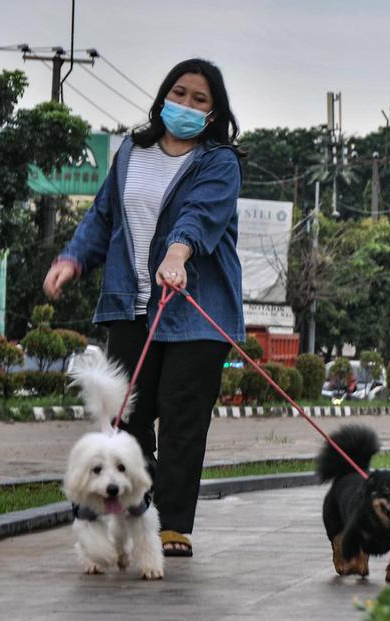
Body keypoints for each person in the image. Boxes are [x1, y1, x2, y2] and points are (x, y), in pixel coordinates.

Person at [43, 58, 244, 558]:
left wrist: (178, 254)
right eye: (179, 93)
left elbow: (200, 217)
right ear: (162, 96)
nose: (187, 105)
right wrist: (72, 259)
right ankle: (131, 518)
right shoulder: (132, 152)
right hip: (128, 305)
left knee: (182, 419)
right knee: (126, 420)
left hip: (195, 310)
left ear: (213, 111)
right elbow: (103, 216)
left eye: (200, 99)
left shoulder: (219, 162)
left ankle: (172, 525)